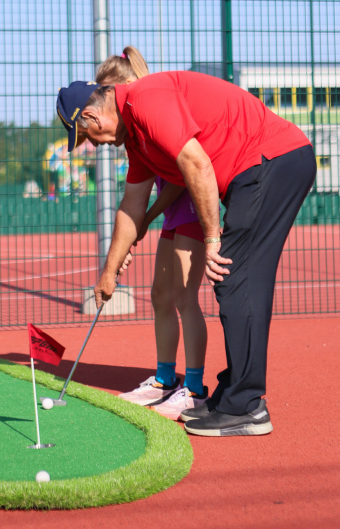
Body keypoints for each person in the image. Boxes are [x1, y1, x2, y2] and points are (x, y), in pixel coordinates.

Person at [56, 70, 316, 436]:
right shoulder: (137, 138)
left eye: (86, 136)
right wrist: (109, 272)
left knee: (234, 276)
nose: (92, 145)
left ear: (93, 116)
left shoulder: (145, 99)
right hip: (263, 167)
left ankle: (247, 407)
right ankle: (234, 394)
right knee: (235, 280)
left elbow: (197, 164)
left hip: (272, 160)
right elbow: (132, 207)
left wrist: (212, 239)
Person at [95, 47, 210, 419]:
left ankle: (194, 387)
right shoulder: (134, 135)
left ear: (124, 86)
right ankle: (164, 379)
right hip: (170, 213)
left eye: (107, 92)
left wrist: (146, 220)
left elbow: (180, 179)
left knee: (184, 296)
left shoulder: (152, 109)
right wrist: (141, 223)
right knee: (160, 294)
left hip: (189, 206)